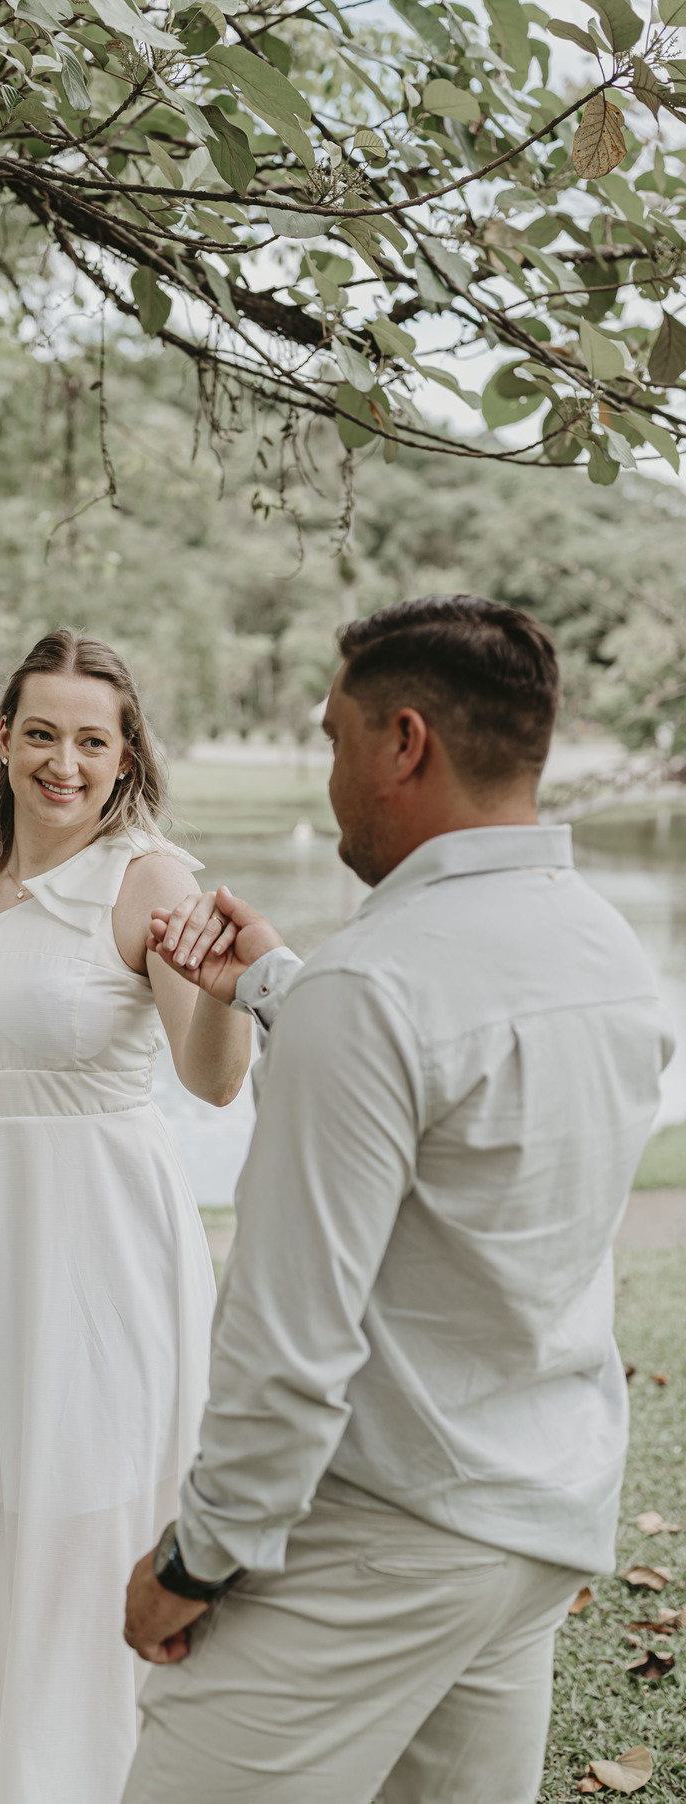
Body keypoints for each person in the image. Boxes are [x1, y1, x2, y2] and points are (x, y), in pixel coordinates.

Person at [121, 595, 675, 1804]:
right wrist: (279, 982)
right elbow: (466, 1128)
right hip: (537, 1525)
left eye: (334, 737)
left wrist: (197, 1558)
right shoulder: (608, 956)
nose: (328, 775)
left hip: (372, 1542)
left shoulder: (373, 987)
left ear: (404, 741)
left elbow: (289, 1341)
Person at [0, 629, 252, 1804]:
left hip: (98, 1251)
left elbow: (211, 1079)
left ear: (125, 755)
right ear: (2, 737)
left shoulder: (150, 881)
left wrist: (228, 995)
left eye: (91, 739)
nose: (62, 763)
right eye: (40, 733)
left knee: (86, 1510)